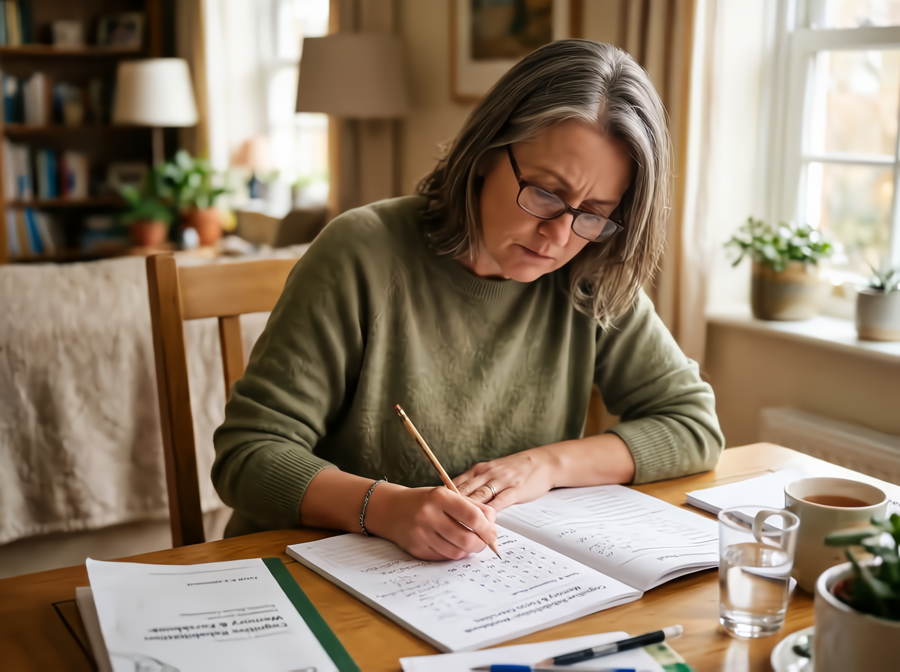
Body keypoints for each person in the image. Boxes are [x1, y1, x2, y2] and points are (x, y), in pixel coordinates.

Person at [213, 39, 724, 562]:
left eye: (592, 213)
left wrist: (543, 466)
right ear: (485, 153)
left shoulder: (589, 273)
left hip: (472, 585)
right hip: (305, 569)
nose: (557, 235)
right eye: (546, 192)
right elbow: (248, 455)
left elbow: (692, 425)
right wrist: (384, 507)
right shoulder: (360, 252)